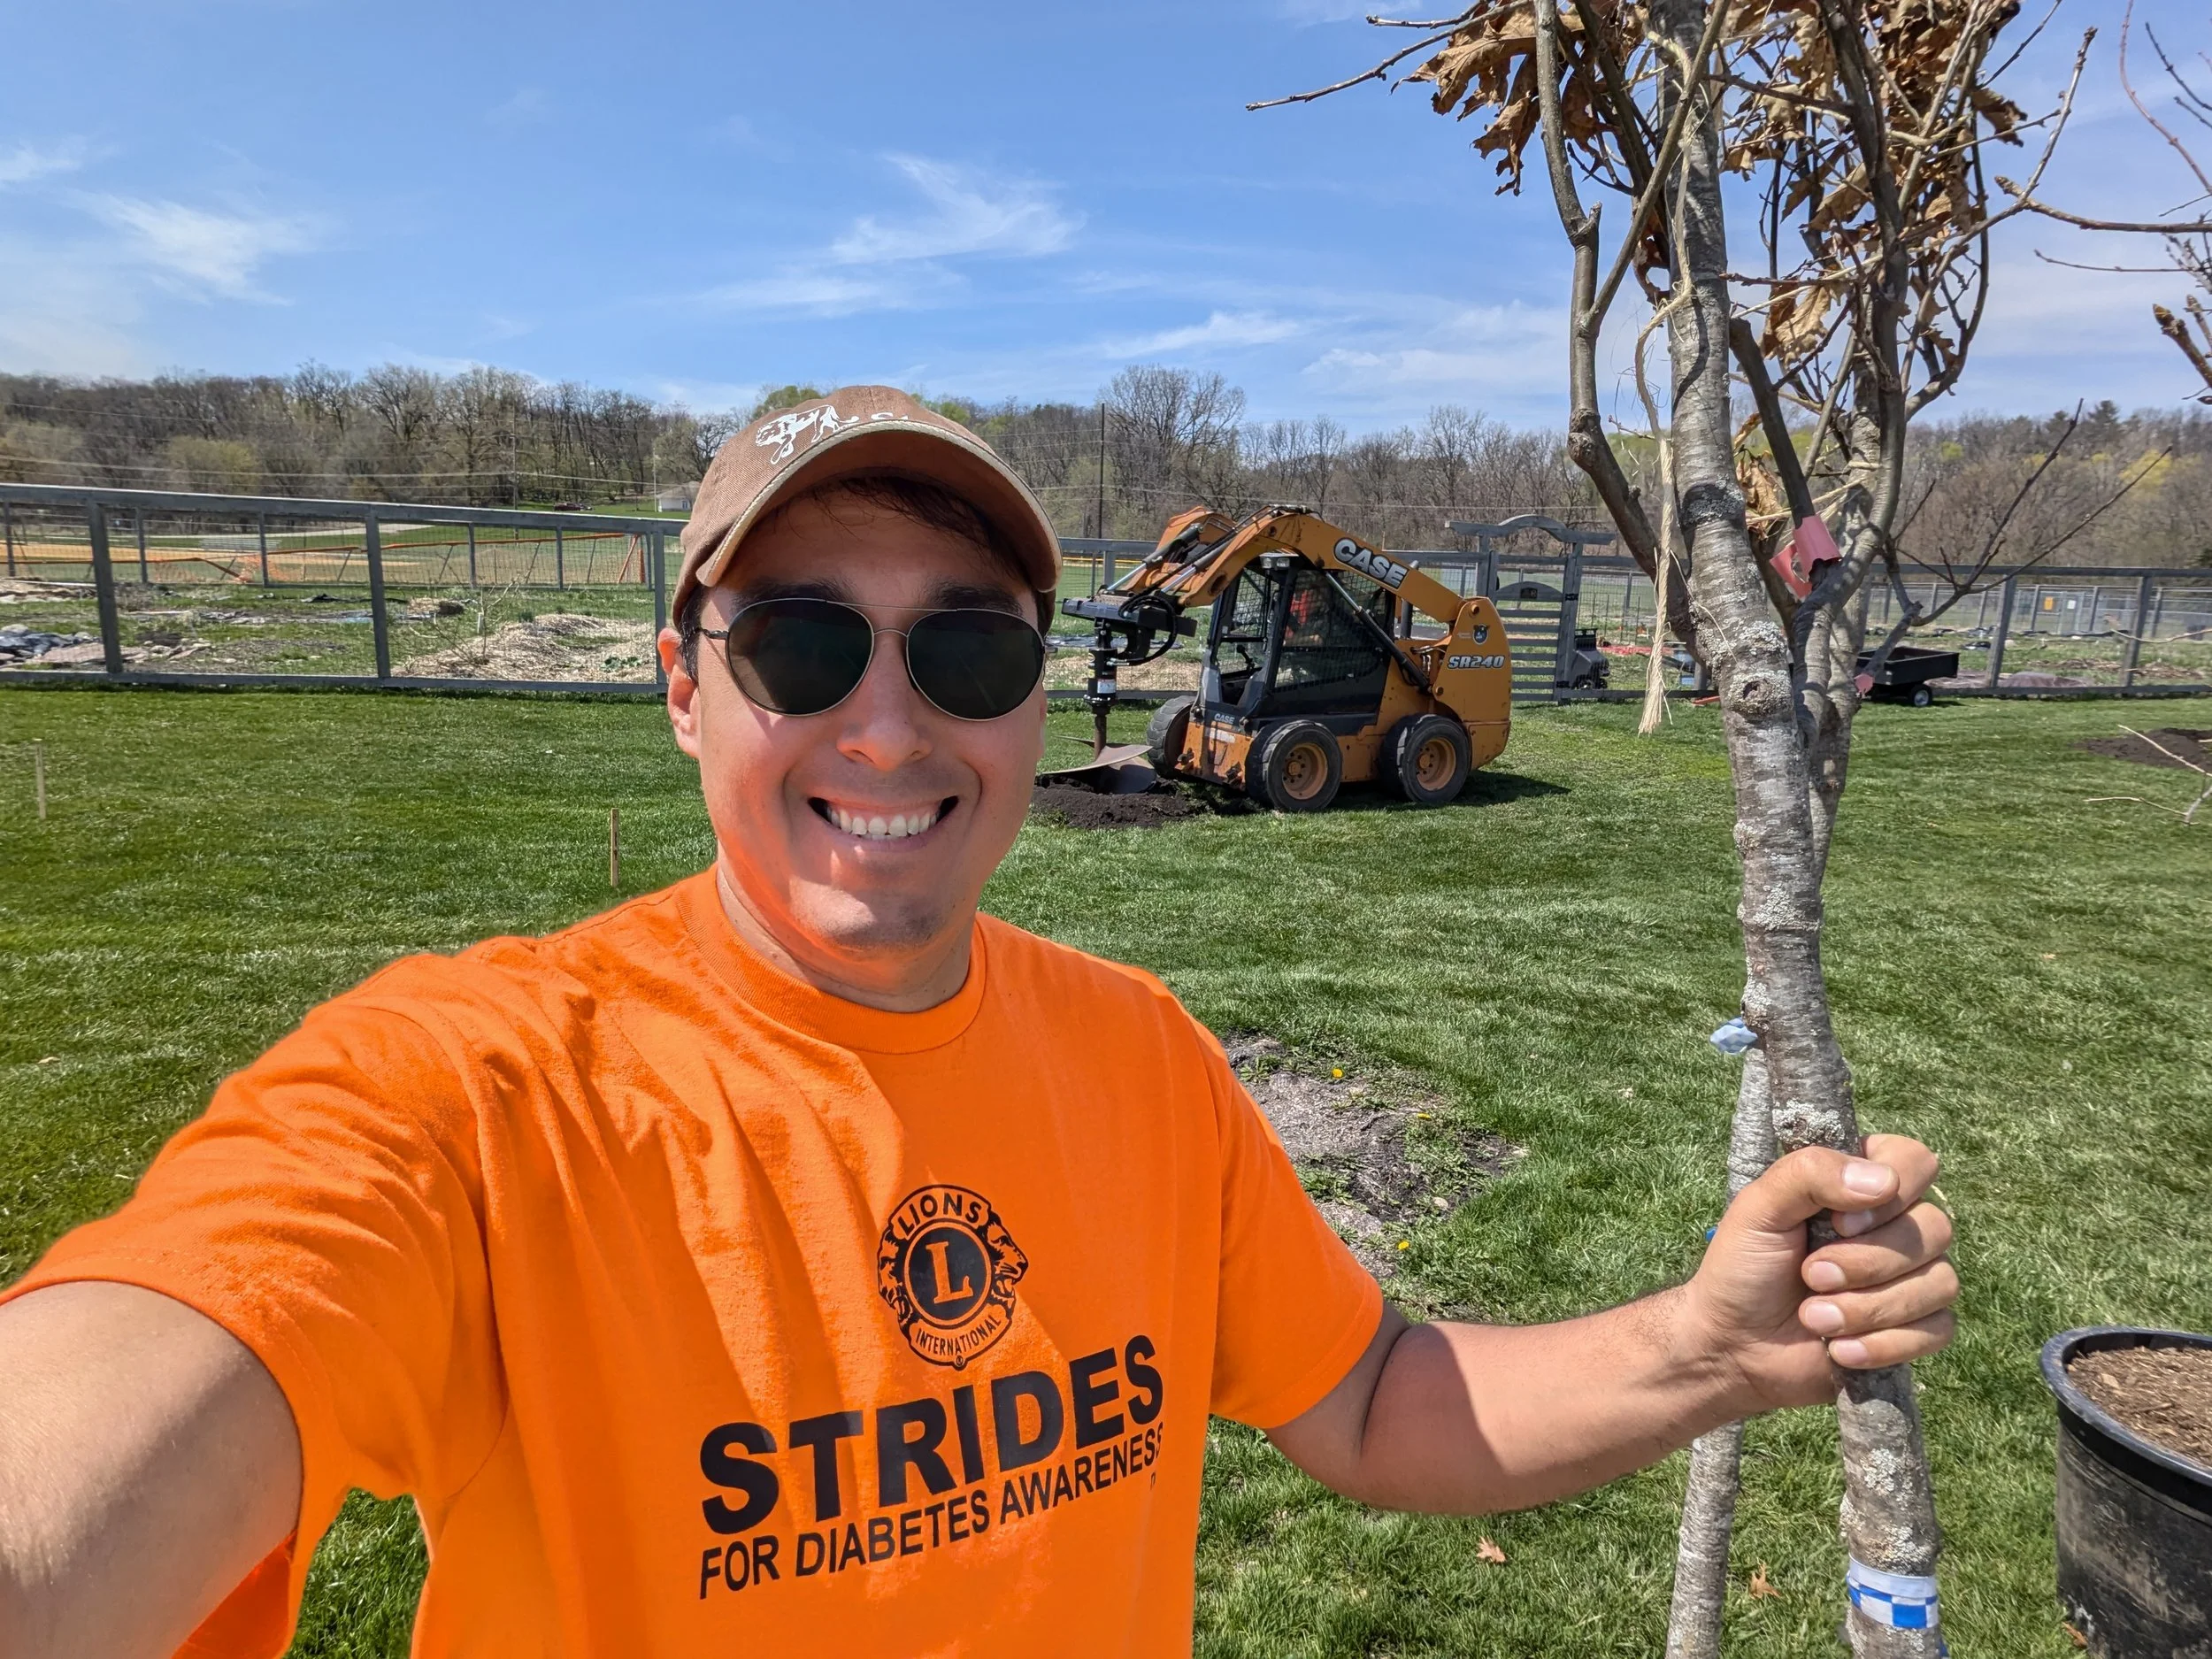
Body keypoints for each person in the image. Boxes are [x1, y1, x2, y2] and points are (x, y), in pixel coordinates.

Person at [0, 388, 1957, 1659]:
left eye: (966, 644)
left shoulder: (1140, 1058)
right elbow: (147, 1381)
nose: (885, 722)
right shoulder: (479, 1088)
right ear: (682, 684)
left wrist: (1706, 1349)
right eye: (799, 641)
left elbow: (1366, 1399)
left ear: (1025, 695)